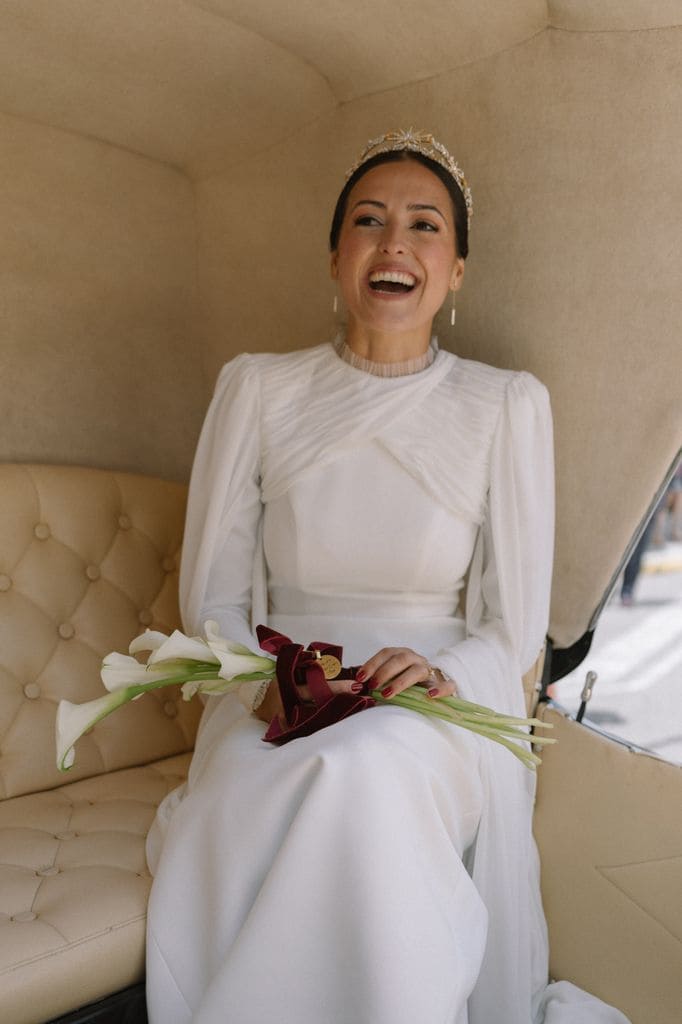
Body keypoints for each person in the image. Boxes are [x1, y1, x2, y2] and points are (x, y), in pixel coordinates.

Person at [145, 129, 629, 1024]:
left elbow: (513, 625)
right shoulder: (254, 388)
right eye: (368, 221)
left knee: (372, 769)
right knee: (307, 775)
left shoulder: (506, 405)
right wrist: (265, 683)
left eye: (424, 226)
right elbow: (212, 595)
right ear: (336, 260)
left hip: (432, 698)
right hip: (277, 691)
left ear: (456, 273)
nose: (394, 242)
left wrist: (446, 679)